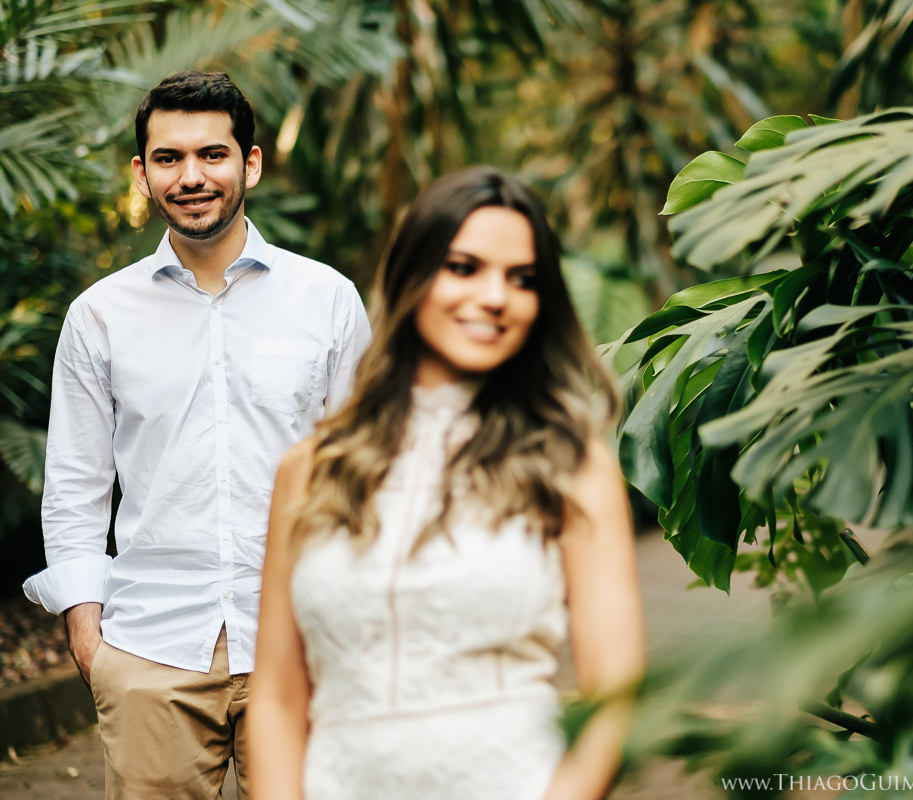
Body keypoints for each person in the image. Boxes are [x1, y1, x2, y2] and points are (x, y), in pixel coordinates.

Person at [22, 70, 370, 799]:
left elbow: (364, 474)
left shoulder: (327, 300)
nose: (191, 176)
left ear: (251, 163)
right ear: (142, 173)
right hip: (150, 650)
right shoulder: (100, 315)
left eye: (212, 154)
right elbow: (77, 483)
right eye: (169, 158)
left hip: (304, 645)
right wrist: (87, 629)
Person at [247, 166, 645, 799]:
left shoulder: (571, 465)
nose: (496, 296)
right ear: (412, 276)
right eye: (464, 267)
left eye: (522, 279)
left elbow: (615, 699)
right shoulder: (313, 468)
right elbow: (276, 696)